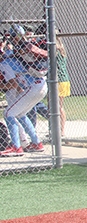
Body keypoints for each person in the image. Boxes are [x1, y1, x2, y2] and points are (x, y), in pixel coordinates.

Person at [0, 25, 47, 156]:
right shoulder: (17, 53)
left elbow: (13, 84)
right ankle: (37, 143)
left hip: (32, 87)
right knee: (20, 114)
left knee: (8, 113)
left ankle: (16, 147)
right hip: (42, 85)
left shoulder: (5, 62)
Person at [56, 33, 70, 136]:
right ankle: (57, 130)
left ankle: (62, 131)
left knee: (58, 107)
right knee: (56, 107)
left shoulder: (56, 50)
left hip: (60, 80)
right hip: (63, 80)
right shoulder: (61, 49)